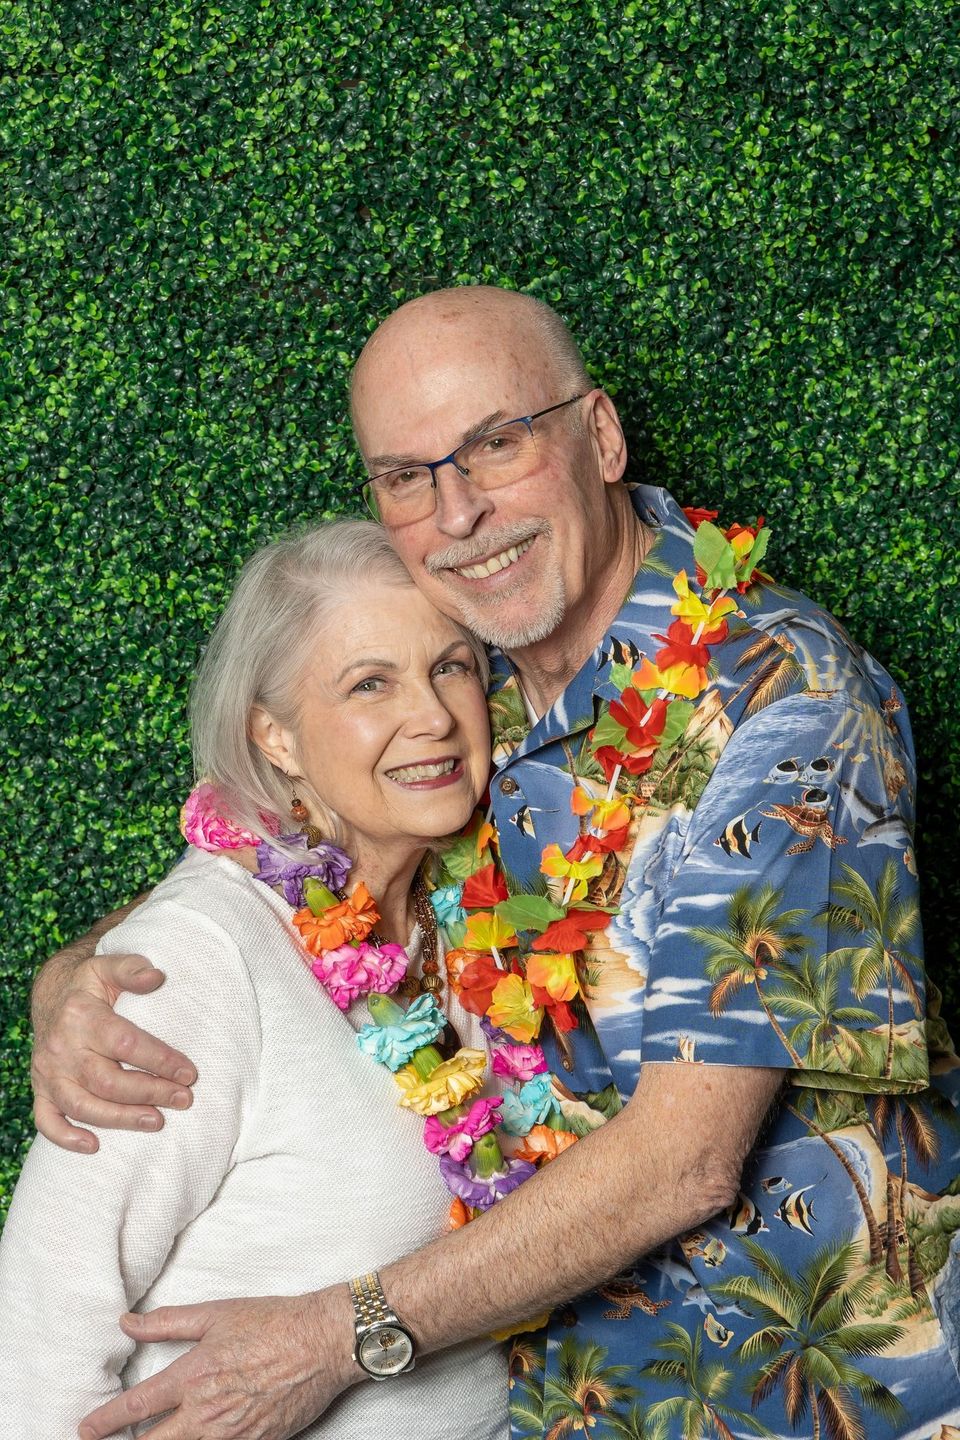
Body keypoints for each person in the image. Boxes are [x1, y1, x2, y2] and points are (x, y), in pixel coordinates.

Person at [28, 288, 960, 1440]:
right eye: (408, 476)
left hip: (812, 1407)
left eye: (498, 443)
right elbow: (297, 840)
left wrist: (335, 1336)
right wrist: (83, 973)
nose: (459, 512)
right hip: (565, 1412)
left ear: (602, 437)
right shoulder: (473, 687)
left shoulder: (782, 702)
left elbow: (685, 1163)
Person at [0, 518, 512, 1438]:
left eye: (453, 666)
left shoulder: (482, 913)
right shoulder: (199, 954)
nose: (433, 715)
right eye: (370, 683)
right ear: (275, 736)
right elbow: (43, 1315)